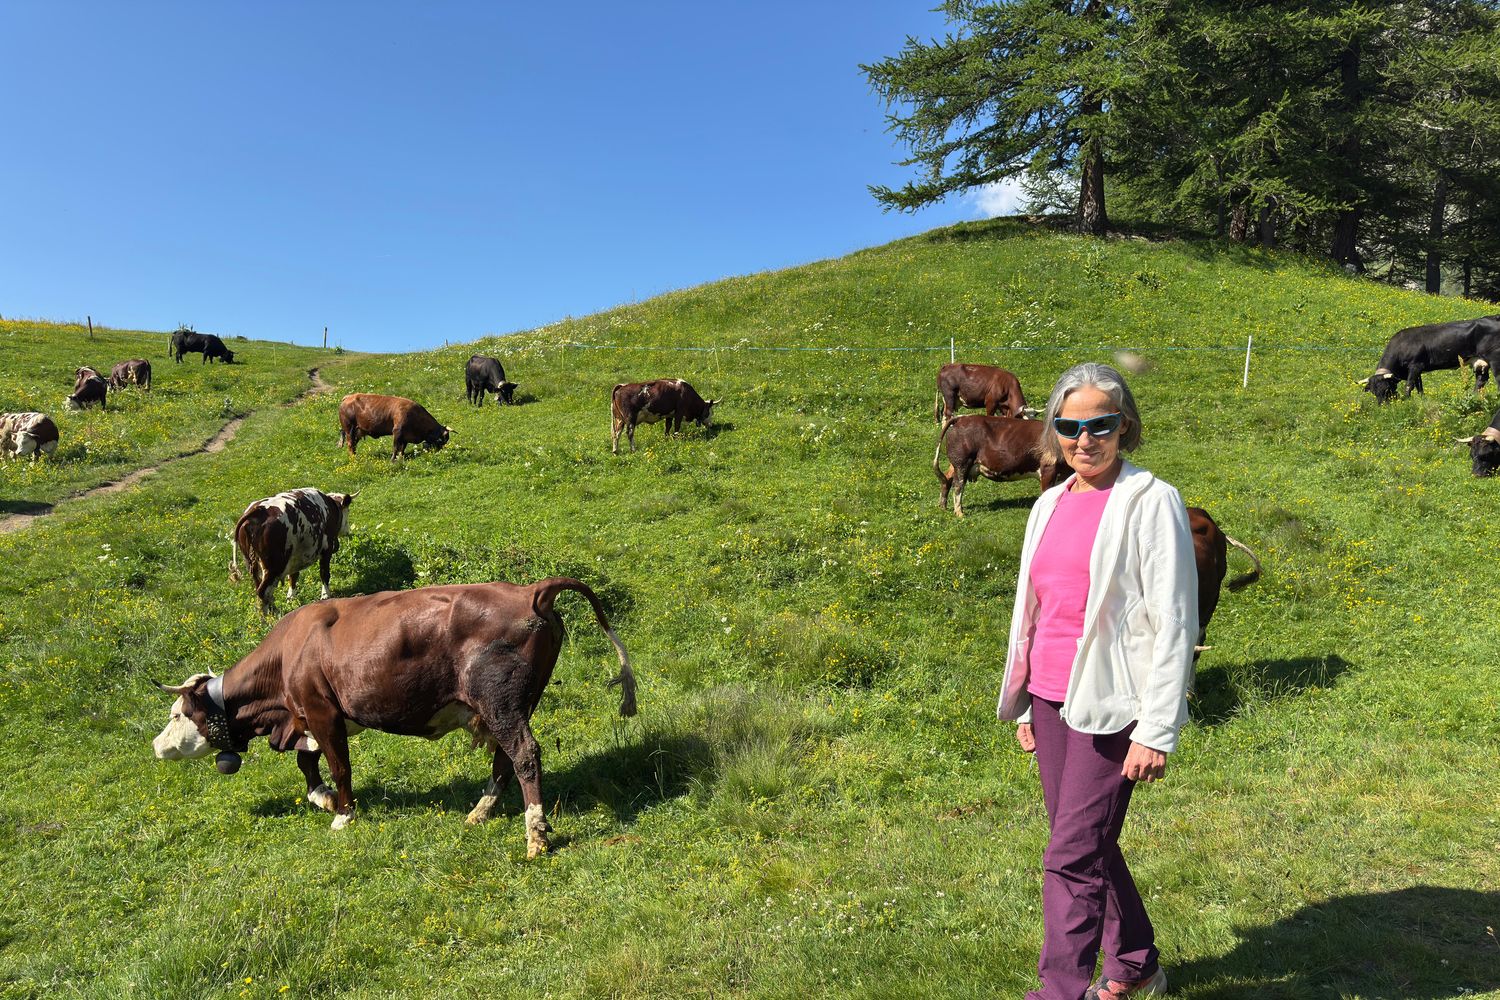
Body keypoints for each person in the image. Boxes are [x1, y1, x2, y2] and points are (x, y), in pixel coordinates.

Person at [996, 362, 1197, 1000]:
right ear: (1054, 430)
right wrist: (1027, 704)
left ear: (1125, 427)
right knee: (1086, 844)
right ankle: (1136, 963)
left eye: (1101, 425)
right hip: (1053, 698)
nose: (1086, 440)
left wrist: (1156, 729)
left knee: (1071, 855)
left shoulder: (1150, 499)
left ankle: (1059, 990)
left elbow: (1173, 619)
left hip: (1115, 706)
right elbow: (1033, 610)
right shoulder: (1049, 502)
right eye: (1070, 426)